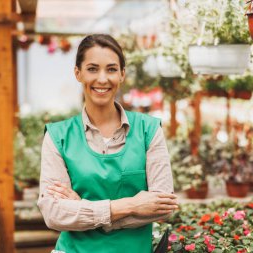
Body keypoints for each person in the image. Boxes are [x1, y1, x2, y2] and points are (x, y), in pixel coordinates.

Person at [37, 34, 177, 253]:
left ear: (122, 75)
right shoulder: (57, 136)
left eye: (111, 69)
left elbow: (163, 207)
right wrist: (131, 205)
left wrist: (83, 210)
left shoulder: (149, 130)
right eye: (92, 69)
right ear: (78, 73)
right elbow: (54, 214)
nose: (102, 79)